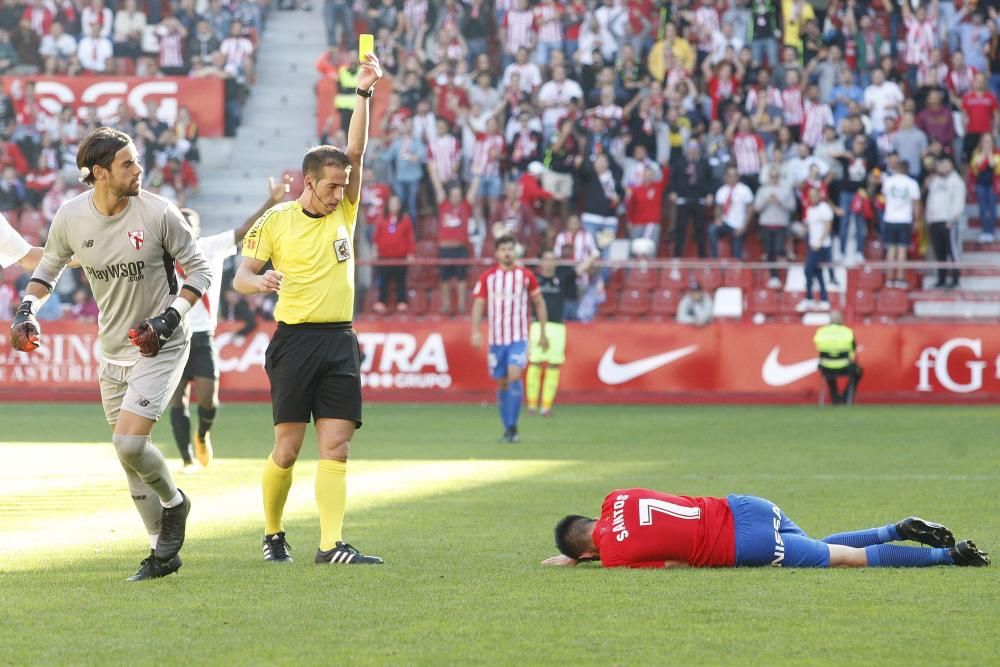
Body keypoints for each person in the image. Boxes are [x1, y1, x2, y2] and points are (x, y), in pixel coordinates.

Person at [9, 127, 211, 580]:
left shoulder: (160, 212)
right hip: (113, 347)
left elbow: (199, 271)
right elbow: (47, 271)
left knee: (130, 442)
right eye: (128, 164)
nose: (139, 170)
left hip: (161, 342)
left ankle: (176, 504)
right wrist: (27, 309)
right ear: (100, 173)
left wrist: (170, 319)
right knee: (129, 458)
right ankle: (161, 554)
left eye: (137, 161)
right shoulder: (70, 217)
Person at [232, 53, 384, 566]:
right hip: (294, 340)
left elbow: (357, 152)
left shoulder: (345, 207)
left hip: (340, 339)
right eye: (331, 185)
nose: (341, 192)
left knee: (337, 447)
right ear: (307, 182)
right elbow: (242, 276)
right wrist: (261, 282)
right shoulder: (275, 221)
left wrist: (363, 92)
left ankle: (330, 544)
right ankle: (273, 532)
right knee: (288, 451)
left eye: (344, 184)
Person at [168, 176, 291, 470]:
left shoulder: (210, 247)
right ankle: (186, 460)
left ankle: (202, 435)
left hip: (203, 336)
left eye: (189, 222)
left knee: (209, 398)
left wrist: (272, 202)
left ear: (196, 229)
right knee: (177, 399)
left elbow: (245, 229)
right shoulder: (164, 256)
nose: (184, 226)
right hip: (174, 336)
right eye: (180, 222)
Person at [543, 488, 990, 569]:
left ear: (584, 553)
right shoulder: (615, 496)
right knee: (817, 545)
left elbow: (675, 561)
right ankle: (897, 528)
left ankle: (947, 557)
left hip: (744, 543)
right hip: (746, 505)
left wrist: (586, 558)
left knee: (845, 560)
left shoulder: (615, 559)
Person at [470, 234, 548, 443]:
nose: (507, 253)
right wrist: (476, 330)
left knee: (514, 374)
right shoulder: (488, 277)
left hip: (518, 337)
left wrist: (542, 331)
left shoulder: (526, 276)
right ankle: (508, 428)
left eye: (510, 249)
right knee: (502, 382)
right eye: (503, 249)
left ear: (515, 251)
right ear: (497, 253)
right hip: (497, 339)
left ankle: (513, 427)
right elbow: (478, 303)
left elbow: (539, 302)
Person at [525, 250, 570, 417]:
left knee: (553, 365)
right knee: (535, 363)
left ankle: (546, 406)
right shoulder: (533, 279)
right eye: (546, 259)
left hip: (557, 326)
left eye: (552, 260)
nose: (549, 263)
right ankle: (531, 405)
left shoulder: (562, 279)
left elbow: (579, 270)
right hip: (537, 325)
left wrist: (596, 253)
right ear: (540, 262)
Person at [880, 159, 921, 288]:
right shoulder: (912, 183)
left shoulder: (889, 182)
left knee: (891, 249)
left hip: (890, 218)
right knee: (902, 249)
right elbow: (916, 204)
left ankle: (889, 279)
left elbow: (884, 198)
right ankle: (900, 278)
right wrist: (917, 220)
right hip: (904, 219)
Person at [924, 157, 964, 288]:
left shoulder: (956, 181)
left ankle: (955, 278)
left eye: (946, 164)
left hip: (948, 221)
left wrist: (952, 219)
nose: (943, 167)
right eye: (941, 164)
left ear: (951, 165)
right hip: (934, 220)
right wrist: (929, 218)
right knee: (939, 251)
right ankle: (941, 278)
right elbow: (930, 200)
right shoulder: (934, 181)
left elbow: (958, 202)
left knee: (952, 251)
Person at [796, 187, 834, 312]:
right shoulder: (810, 209)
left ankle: (809, 298)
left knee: (808, 270)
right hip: (812, 244)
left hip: (821, 246)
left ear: (819, 195)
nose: (812, 198)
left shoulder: (824, 208)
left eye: (814, 195)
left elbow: (828, 227)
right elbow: (811, 226)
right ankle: (824, 300)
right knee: (817, 272)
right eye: (810, 195)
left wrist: (819, 242)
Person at [814, 310, 863, 406]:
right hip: (845, 366)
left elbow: (818, 347)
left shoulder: (821, 332)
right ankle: (846, 397)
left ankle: (835, 397)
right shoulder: (847, 332)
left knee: (828, 372)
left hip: (826, 366)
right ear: (841, 319)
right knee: (858, 371)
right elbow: (853, 349)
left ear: (830, 320)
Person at [710, 165, 754, 260]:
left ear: (738, 177)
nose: (731, 178)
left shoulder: (744, 190)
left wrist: (744, 226)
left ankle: (737, 269)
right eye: (729, 175)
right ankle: (715, 260)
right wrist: (717, 219)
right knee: (712, 230)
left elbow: (750, 209)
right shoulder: (721, 191)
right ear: (725, 177)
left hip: (739, 225)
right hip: (725, 223)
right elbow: (718, 208)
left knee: (737, 254)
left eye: (734, 175)